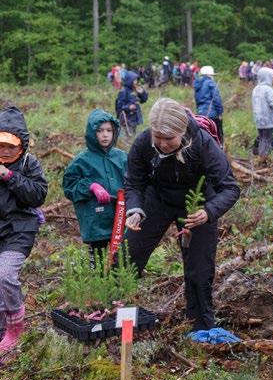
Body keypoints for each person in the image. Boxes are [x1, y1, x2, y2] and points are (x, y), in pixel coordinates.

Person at [124, 98, 240, 332]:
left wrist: (208, 212)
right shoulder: (144, 143)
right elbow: (134, 182)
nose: (163, 144)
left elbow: (230, 188)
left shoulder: (203, 144)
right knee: (128, 255)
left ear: (182, 131)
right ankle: (113, 313)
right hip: (157, 200)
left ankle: (200, 326)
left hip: (196, 203)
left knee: (199, 269)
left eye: (169, 139)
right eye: (158, 137)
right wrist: (135, 209)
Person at [0, 107, 48, 358]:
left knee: (5, 274)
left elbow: (38, 194)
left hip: (20, 229)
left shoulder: (29, 164)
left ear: (22, 145)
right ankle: (2, 332)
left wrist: (9, 176)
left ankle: (15, 324)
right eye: (1, 145)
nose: (6, 151)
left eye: (11, 146)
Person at [63, 110, 128, 265]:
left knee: (121, 260)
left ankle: (119, 286)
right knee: (98, 261)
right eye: (99, 131)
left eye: (109, 130)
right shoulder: (81, 161)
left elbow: (134, 181)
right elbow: (69, 186)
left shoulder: (122, 157)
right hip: (95, 220)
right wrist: (91, 186)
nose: (105, 135)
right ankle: (99, 286)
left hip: (120, 219)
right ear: (92, 133)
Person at [194, 65, 224, 144]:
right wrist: (220, 112)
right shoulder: (210, 83)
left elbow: (197, 100)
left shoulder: (197, 85)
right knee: (217, 135)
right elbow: (216, 98)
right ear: (208, 74)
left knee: (205, 135)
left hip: (201, 114)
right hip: (212, 113)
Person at [115, 71, 149, 138]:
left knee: (133, 134)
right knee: (128, 136)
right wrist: (129, 107)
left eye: (136, 80)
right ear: (129, 81)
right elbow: (119, 107)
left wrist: (142, 93)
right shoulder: (123, 91)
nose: (135, 82)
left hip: (135, 117)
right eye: (134, 80)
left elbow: (143, 100)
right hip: (127, 118)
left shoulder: (135, 90)